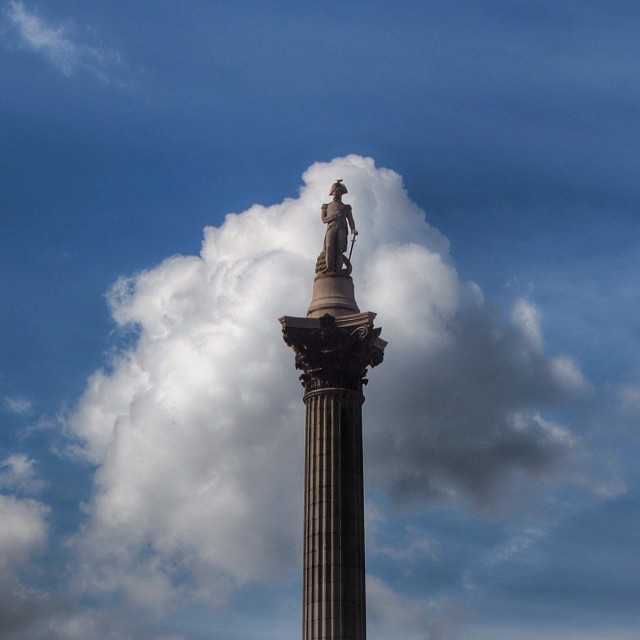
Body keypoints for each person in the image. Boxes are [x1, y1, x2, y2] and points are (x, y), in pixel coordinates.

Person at [316, 180, 358, 274]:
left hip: (342, 229)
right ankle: (329, 268)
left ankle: (338, 270)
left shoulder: (346, 207)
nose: (337, 193)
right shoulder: (326, 206)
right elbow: (324, 220)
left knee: (339, 250)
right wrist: (334, 216)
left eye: (339, 192)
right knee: (329, 247)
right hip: (331, 228)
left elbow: (350, 220)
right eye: (336, 191)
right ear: (332, 192)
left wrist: (353, 230)